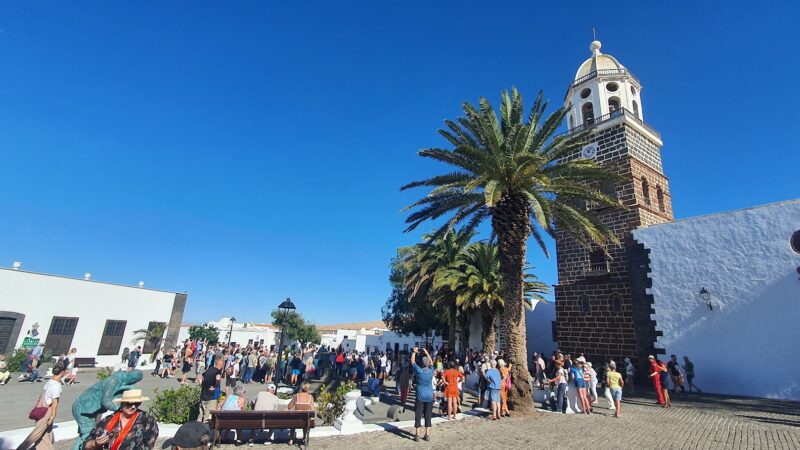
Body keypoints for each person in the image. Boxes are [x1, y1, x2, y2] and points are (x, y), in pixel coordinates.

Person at [82, 389, 159, 450]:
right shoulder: (108, 421)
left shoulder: (145, 418)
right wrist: (96, 443)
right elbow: (86, 445)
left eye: (137, 404)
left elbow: (151, 440)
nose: (133, 407)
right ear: (122, 404)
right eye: (129, 403)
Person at [16, 363, 65, 450]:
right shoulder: (56, 385)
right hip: (47, 411)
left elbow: (41, 397)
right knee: (36, 434)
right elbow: (54, 402)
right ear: (62, 372)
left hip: (40, 410)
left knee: (45, 435)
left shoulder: (49, 382)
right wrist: (53, 416)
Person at [411, 347, 434, 442]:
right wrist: (427, 353)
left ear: (422, 363)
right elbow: (432, 363)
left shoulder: (419, 371)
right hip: (429, 395)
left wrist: (414, 352)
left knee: (418, 414)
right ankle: (427, 435)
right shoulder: (431, 371)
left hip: (420, 395)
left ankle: (417, 435)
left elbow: (412, 362)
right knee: (428, 415)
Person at [200, 357, 223, 423]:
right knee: (208, 418)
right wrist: (215, 386)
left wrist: (202, 385)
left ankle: (196, 431)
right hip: (211, 397)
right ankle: (205, 432)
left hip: (203, 395)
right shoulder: (217, 371)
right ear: (220, 364)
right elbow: (218, 378)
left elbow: (201, 377)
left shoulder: (209, 370)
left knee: (200, 415)